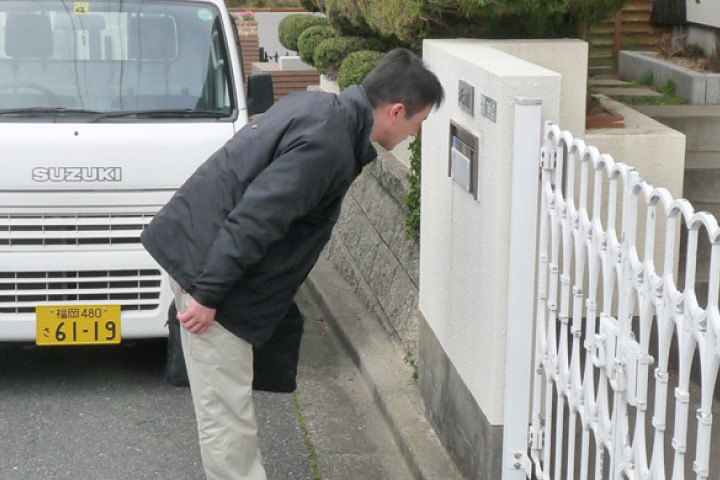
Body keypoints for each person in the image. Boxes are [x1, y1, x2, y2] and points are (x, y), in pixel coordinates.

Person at [140, 47, 444, 480]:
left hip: (205, 255)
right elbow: (256, 217)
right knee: (226, 419)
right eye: (419, 122)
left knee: (226, 409)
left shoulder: (321, 108)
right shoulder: (329, 143)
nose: (415, 134)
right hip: (212, 273)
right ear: (397, 110)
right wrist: (207, 294)